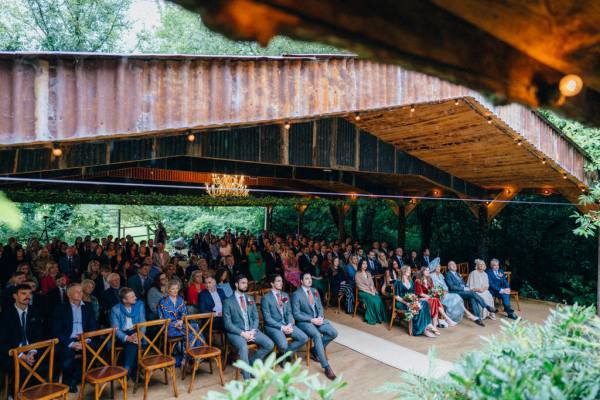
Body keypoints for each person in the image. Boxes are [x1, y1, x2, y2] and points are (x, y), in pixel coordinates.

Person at [222, 274, 274, 380]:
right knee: (243, 347)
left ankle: (250, 364)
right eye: (243, 283)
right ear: (236, 285)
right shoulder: (227, 301)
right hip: (236, 333)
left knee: (269, 344)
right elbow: (227, 324)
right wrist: (243, 333)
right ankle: (247, 380)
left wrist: (253, 331)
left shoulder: (250, 298)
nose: (246, 285)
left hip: (252, 330)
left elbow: (255, 317)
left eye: (246, 283)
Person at [291, 273, 338, 380]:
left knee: (333, 333)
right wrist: (311, 320)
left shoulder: (315, 291)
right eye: (306, 279)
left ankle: (315, 350)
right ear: (301, 281)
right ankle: (326, 367)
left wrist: (321, 317)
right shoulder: (296, 294)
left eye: (310, 278)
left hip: (318, 320)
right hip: (305, 322)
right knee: (316, 335)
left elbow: (320, 306)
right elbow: (296, 314)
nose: (309, 280)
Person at [52, 283, 97, 393]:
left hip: (85, 338)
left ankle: (84, 376)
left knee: (97, 350)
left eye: (81, 291)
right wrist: (71, 344)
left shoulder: (88, 306)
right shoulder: (60, 308)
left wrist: (86, 340)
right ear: (69, 294)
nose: (81, 293)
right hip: (68, 340)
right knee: (66, 357)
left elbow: (93, 326)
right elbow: (56, 331)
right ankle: (69, 381)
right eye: (77, 291)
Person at [0, 284, 45, 376]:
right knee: (23, 370)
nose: (28, 296)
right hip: (13, 351)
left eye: (30, 294)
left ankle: (38, 389)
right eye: (23, 293)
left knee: (46, 365)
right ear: (15, 296)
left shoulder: (35, 312)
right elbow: (3, 341)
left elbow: (39, 335)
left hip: (32, 350)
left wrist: (32, 352)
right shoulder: (5, 315)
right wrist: (22, 356)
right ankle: (18, 390)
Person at [261, 274, 308, 360]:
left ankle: (285, 354)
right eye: (278, 281)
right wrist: (282, 327)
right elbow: (267, 319)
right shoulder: (266, 298)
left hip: (287, 324)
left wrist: (290, 324)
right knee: (283, 345)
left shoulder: (285, 295)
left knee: (304, 338)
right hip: (274, 327)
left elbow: (289, 312)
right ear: (272, 283)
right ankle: (285, 354)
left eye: (282, 281)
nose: (281, 283)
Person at [157, 279, 199, 367]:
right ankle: (192, 357)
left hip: (181, 325)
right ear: (168, 290)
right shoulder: (163, 302)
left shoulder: (180, 299)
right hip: (169, 327)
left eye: (176, 288)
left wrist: (182, 320)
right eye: (173, 289)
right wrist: (174, 324)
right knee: (192, 333)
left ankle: (187, 357)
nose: (175, 291)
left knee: (196, 326)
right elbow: (162, 319)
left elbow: (184, 312)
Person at [445, 261, 495, 326]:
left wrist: (466, 287)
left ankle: (478, 318)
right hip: (455, 292)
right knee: (472, 293)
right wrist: (464, 289)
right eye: (452, 264)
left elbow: (463, 284)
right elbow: (452, 287)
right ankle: (486, 306)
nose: (454, 265)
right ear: (448, 267)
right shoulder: (448, 274)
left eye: (455, 264)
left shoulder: (457, 274)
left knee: (472, 298)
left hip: (463, 292)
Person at [111, 287, 146, 378]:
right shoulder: (115, 309)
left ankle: (126, 370)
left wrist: (140, 335)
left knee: (133, 343)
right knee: (132, 344)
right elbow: (116, 329)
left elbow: (143, 323)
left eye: (134, 295)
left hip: (136, 331)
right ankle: (133, 372)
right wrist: (127, 338)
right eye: (131, 297)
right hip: (123, 334)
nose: (135, 298)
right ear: (124, 300)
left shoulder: (139, 305)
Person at [393, 266, 437, 337]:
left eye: (410, 270)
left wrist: (417, 299)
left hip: (412, 300)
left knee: (424, 303)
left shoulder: (410, 281)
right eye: (408, 270)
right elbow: (397, 297)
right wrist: (406, 302)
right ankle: (421, 330)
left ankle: (427, 325)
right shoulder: (398, 282)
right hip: (402, 302)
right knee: (416, 306)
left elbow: (414, 293)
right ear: (404, 271)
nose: (410, 271)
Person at [355, 260, 388, 325]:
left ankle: (380, 317)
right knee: (372, 300)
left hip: (370, 290)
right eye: (363, 264)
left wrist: (373, 289)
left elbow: (371, 283)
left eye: (366, 264)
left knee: (378, 298)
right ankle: (373, 318)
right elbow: (360, 286)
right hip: (362, 292)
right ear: (360, 265)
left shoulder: (368, 273)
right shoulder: (357, 274)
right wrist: (369, 292)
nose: (365, 265)